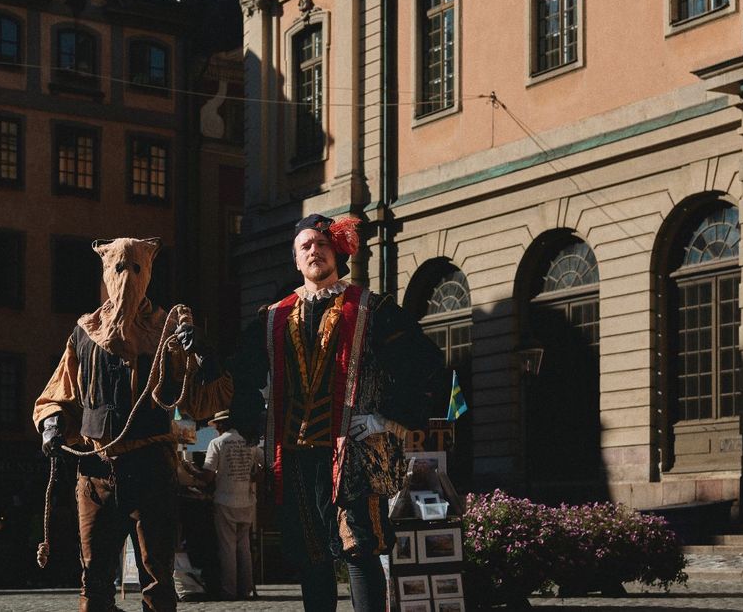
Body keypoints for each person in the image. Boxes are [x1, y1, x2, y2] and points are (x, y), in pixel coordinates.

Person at [229, 214, 447, 611]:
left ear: (337, 252)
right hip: (294, 457)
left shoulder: (372, 307)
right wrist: (255, 424)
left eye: (321, 244)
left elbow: (423, 362)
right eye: (305, 246)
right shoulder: (273, 316)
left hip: (354, 454)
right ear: (296, 260)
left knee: (359, 549)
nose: (314, 250)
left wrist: (384, 417)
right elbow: (238, 372)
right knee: (311, 558)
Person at [33, 236, 232, 612]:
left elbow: (206, 401)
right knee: (94, 578)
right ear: (107, 271)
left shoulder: (167, 334)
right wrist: (52, 425)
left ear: (148, 273)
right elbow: (59, 391)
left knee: (157, 579)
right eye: (118, 268)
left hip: (152, 470)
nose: (126, 277)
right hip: (96, 471)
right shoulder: (85, 334)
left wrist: (204, 353)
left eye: (136, 268)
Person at [196, 410, 261, 601]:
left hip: (225, 500)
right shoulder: (249, 441)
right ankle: (246, 589)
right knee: (244, 547)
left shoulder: (217, 443)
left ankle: (229, 591)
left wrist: (192, 471)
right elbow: (265, 463)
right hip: (247, 500)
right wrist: (253, 478)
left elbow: (208, 476)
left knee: (227, 548)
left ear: (221, 425)